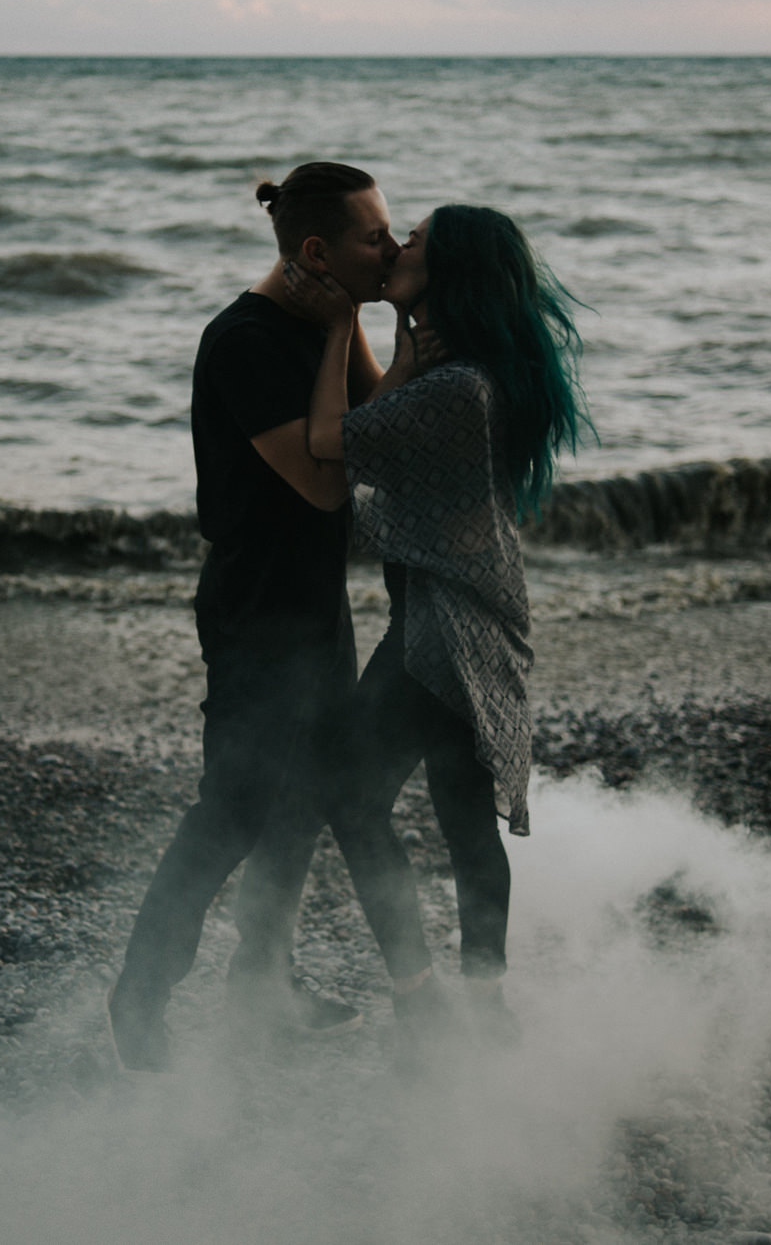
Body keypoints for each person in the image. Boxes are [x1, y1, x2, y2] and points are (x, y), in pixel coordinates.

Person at [106, 162, 414, 1073]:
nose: (392, 249)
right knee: (235, 807)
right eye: (374, 239)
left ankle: (263, 987)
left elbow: (379, 421)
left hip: (314, 605)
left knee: (304, 803)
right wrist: (336, 331)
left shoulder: (322, 321)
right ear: (317, 251)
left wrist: (367, 322)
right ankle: (140, 990)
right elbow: (325, 487)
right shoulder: (243, 341)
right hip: (255, 611)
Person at [283, 203, 591, 1050]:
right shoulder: (461, 372)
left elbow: (324, 440)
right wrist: (399, 329)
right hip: (472, 616)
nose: (399, 244)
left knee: (347, 791)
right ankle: (487, 1009)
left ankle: (423, 999)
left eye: (415, 238)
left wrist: (342, 325)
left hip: (442, 625)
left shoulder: (458, 390)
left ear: (450, 271)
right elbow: (379, 420)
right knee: (461, 817)